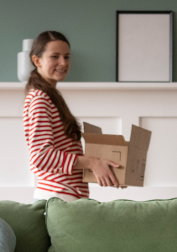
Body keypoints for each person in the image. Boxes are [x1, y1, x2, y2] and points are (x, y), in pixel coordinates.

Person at [24, 31, 122, 202]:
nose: (63, 63)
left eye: (67, 57)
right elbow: (41, 156)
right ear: (37, 60)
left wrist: (104, 167)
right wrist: (92, 162)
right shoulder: (40, 99)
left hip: (64, 196)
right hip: (58, 197)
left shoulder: (50, 97)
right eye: (55, 56)